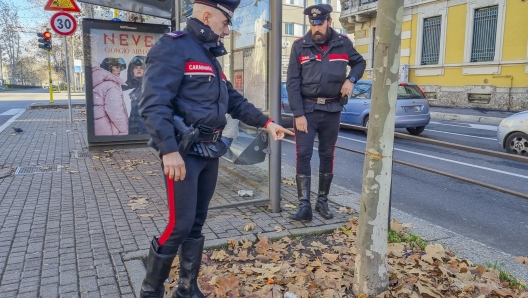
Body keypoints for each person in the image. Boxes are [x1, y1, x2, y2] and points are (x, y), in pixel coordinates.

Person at [138, 1, 294, 297]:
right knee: (179, 224)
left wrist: (266, 122)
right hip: (183, 153)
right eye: (226, 20)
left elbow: (234, 100)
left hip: (209, 151)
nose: (228, 28)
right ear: (207, 16)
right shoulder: (173, 47)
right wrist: (168, 150)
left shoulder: (208, 54)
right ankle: (151, 289)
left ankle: (187, 288)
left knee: (196, 222)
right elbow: (153, 103)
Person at [287, 4, 366, 222]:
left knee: (327, 154)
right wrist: (298, 114)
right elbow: (292, 83)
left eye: (320, 23)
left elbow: (359, 62)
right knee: (303, 154)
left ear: (329, 21)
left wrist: (351, 80)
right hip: (307, 111)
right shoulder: (299, 46)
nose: (316, 29)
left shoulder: (343, 43)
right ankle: (304, 206)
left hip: (332, 109)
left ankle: (322, 201)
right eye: (313, 24)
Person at [92, 57, 129, 136]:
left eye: (120, 67)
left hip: (101, 126)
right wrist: (124, 129)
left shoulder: (100, 82)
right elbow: (116, 112)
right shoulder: (111, 86)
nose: (119, 70)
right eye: (116, 67)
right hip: (109, 129)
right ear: (109, 68)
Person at [124, 56, 148, 134]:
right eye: (136, 67)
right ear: (132, 70)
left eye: (141, 67)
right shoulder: (125, 88)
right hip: (132, 128)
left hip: (145, 130)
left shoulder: (149, 87)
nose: (138, 69)